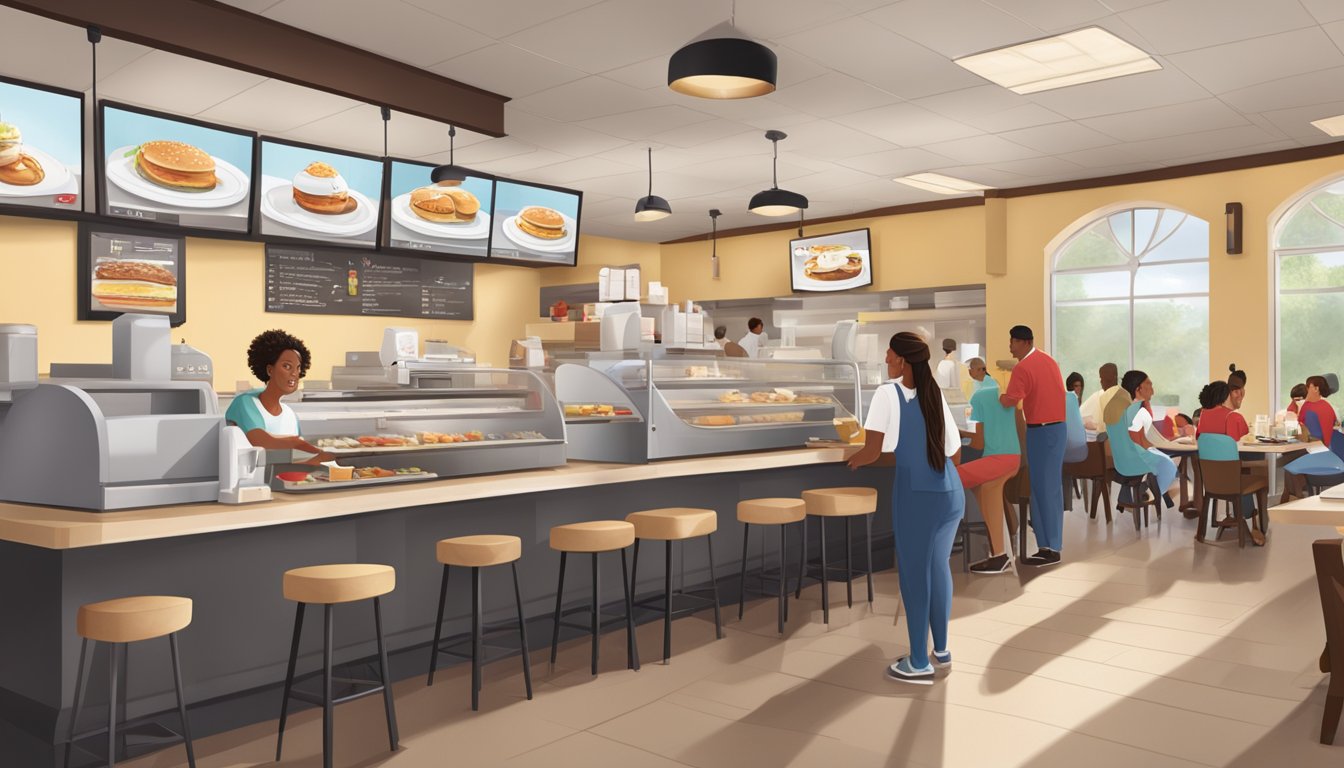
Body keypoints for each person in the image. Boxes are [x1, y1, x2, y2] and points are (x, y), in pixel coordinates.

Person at [848, 332, 963, 685]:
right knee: (937, 568)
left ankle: (917, 662)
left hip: (917, 495)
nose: (885, 360)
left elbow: (871, 450)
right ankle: (940, 651)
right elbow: (953, 450)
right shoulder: (934, 393)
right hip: (950, 491)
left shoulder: (887, 393)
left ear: (901, 360)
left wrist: (850, 461)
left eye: (889, 354)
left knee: (914, 578)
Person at [999, 325, 1067, 567]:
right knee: (1047, 489)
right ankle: (1048, 544)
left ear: (1024, 342)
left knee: (1043, 489)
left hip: (1041, 431)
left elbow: (1010, 400)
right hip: (1057, 429)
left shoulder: (1023, 367)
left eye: (1013, 342)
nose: (1010, 346)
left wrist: (998, 397)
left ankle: (1051, 549)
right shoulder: (1049, 361)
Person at [225, 330, 333, 463]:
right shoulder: (245, 403)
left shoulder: (289, 414)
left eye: (298, 368)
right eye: (287, 366)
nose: (294, 373)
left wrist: (317, 459)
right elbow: (262, 442)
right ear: (270, 370)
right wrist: (318, 451)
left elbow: (292, 461)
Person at [958, 366, 1021, 574]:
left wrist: (956, 433)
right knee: (983, 490)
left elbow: (977, 443)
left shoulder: (979, 397)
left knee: (952, 478)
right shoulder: (1011, 398)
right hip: (1014, 458)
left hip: (997, 459)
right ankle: (1000, 554)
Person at [1119, 370, 1177, 509]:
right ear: (1138, 389)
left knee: (1169, 460)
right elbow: (1138, 441)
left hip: (1130, 454)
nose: (1153, 391)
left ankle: (1147, 493)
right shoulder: (1137, 408)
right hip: (1136, 456)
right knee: (1169, 465)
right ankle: (1147, 494)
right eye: (1149, 385)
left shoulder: (1134, 407)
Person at [1283, 376, 1342, 500]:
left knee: (1289, 464)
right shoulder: (1317, 406)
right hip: (1324, 452)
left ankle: (1295, 498)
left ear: (1316, 388)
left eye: (1308, 386)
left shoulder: (1317, 408)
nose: (1305, 389)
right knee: (1290, 460)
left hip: (1321, 454)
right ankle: (1298, 496)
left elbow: (1316, 437)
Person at [1080, 363, 1119, 431]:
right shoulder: (1098, 395)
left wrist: (1096, 426)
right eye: (1101, 378)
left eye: (1104, 379)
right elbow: (1079, 416)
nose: (1101, 381)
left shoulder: (1121, 397)